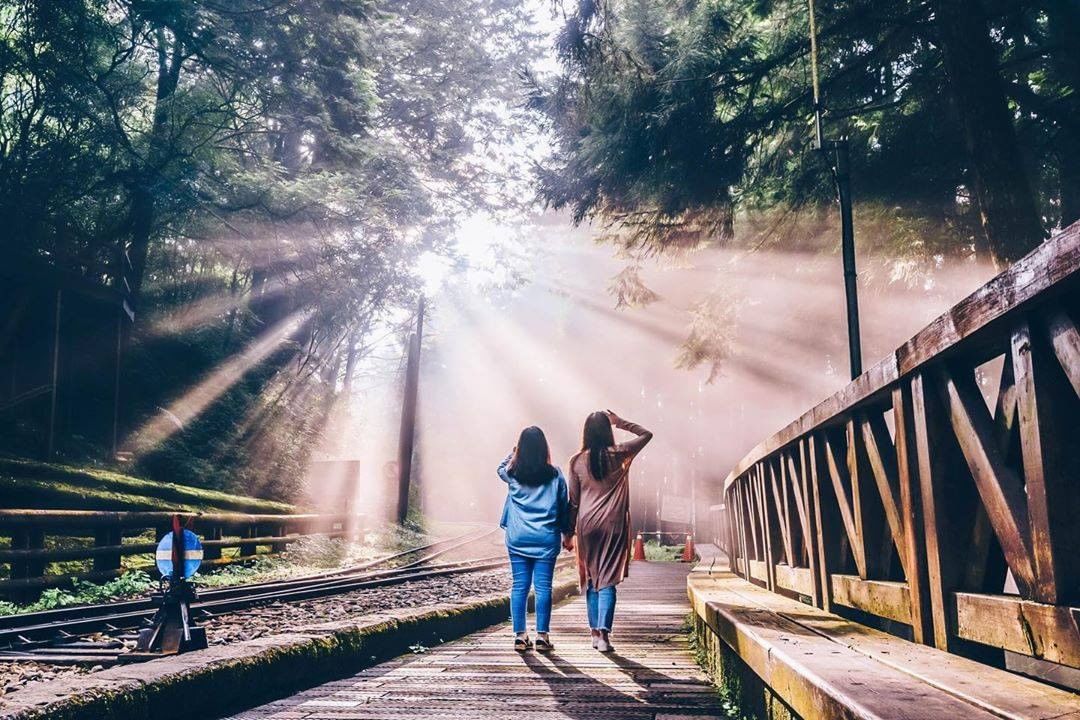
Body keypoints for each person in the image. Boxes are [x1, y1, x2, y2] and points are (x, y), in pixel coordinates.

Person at [563, 410, 652, 653]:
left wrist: (567, 533)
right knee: (608, 580)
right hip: (613, 525)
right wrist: (621, 422)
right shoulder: (621, 454)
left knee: (591, 579)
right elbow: (647, 434)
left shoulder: (576, 461)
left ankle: (593, 633)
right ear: (607, 431)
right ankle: (604, 635)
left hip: (587, 526)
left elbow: (573, 501)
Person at [498, 425, 569, 652]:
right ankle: (542, 636)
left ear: (521, 450)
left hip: (518, 538)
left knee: (519, 586)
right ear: (544, 448)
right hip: (546, 538)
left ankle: (520, 636)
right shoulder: (555, 474)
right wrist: (567, 532)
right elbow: (564, 504)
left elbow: (500, 467)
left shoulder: (512, 474)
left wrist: (514, 452)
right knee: (544, 587)